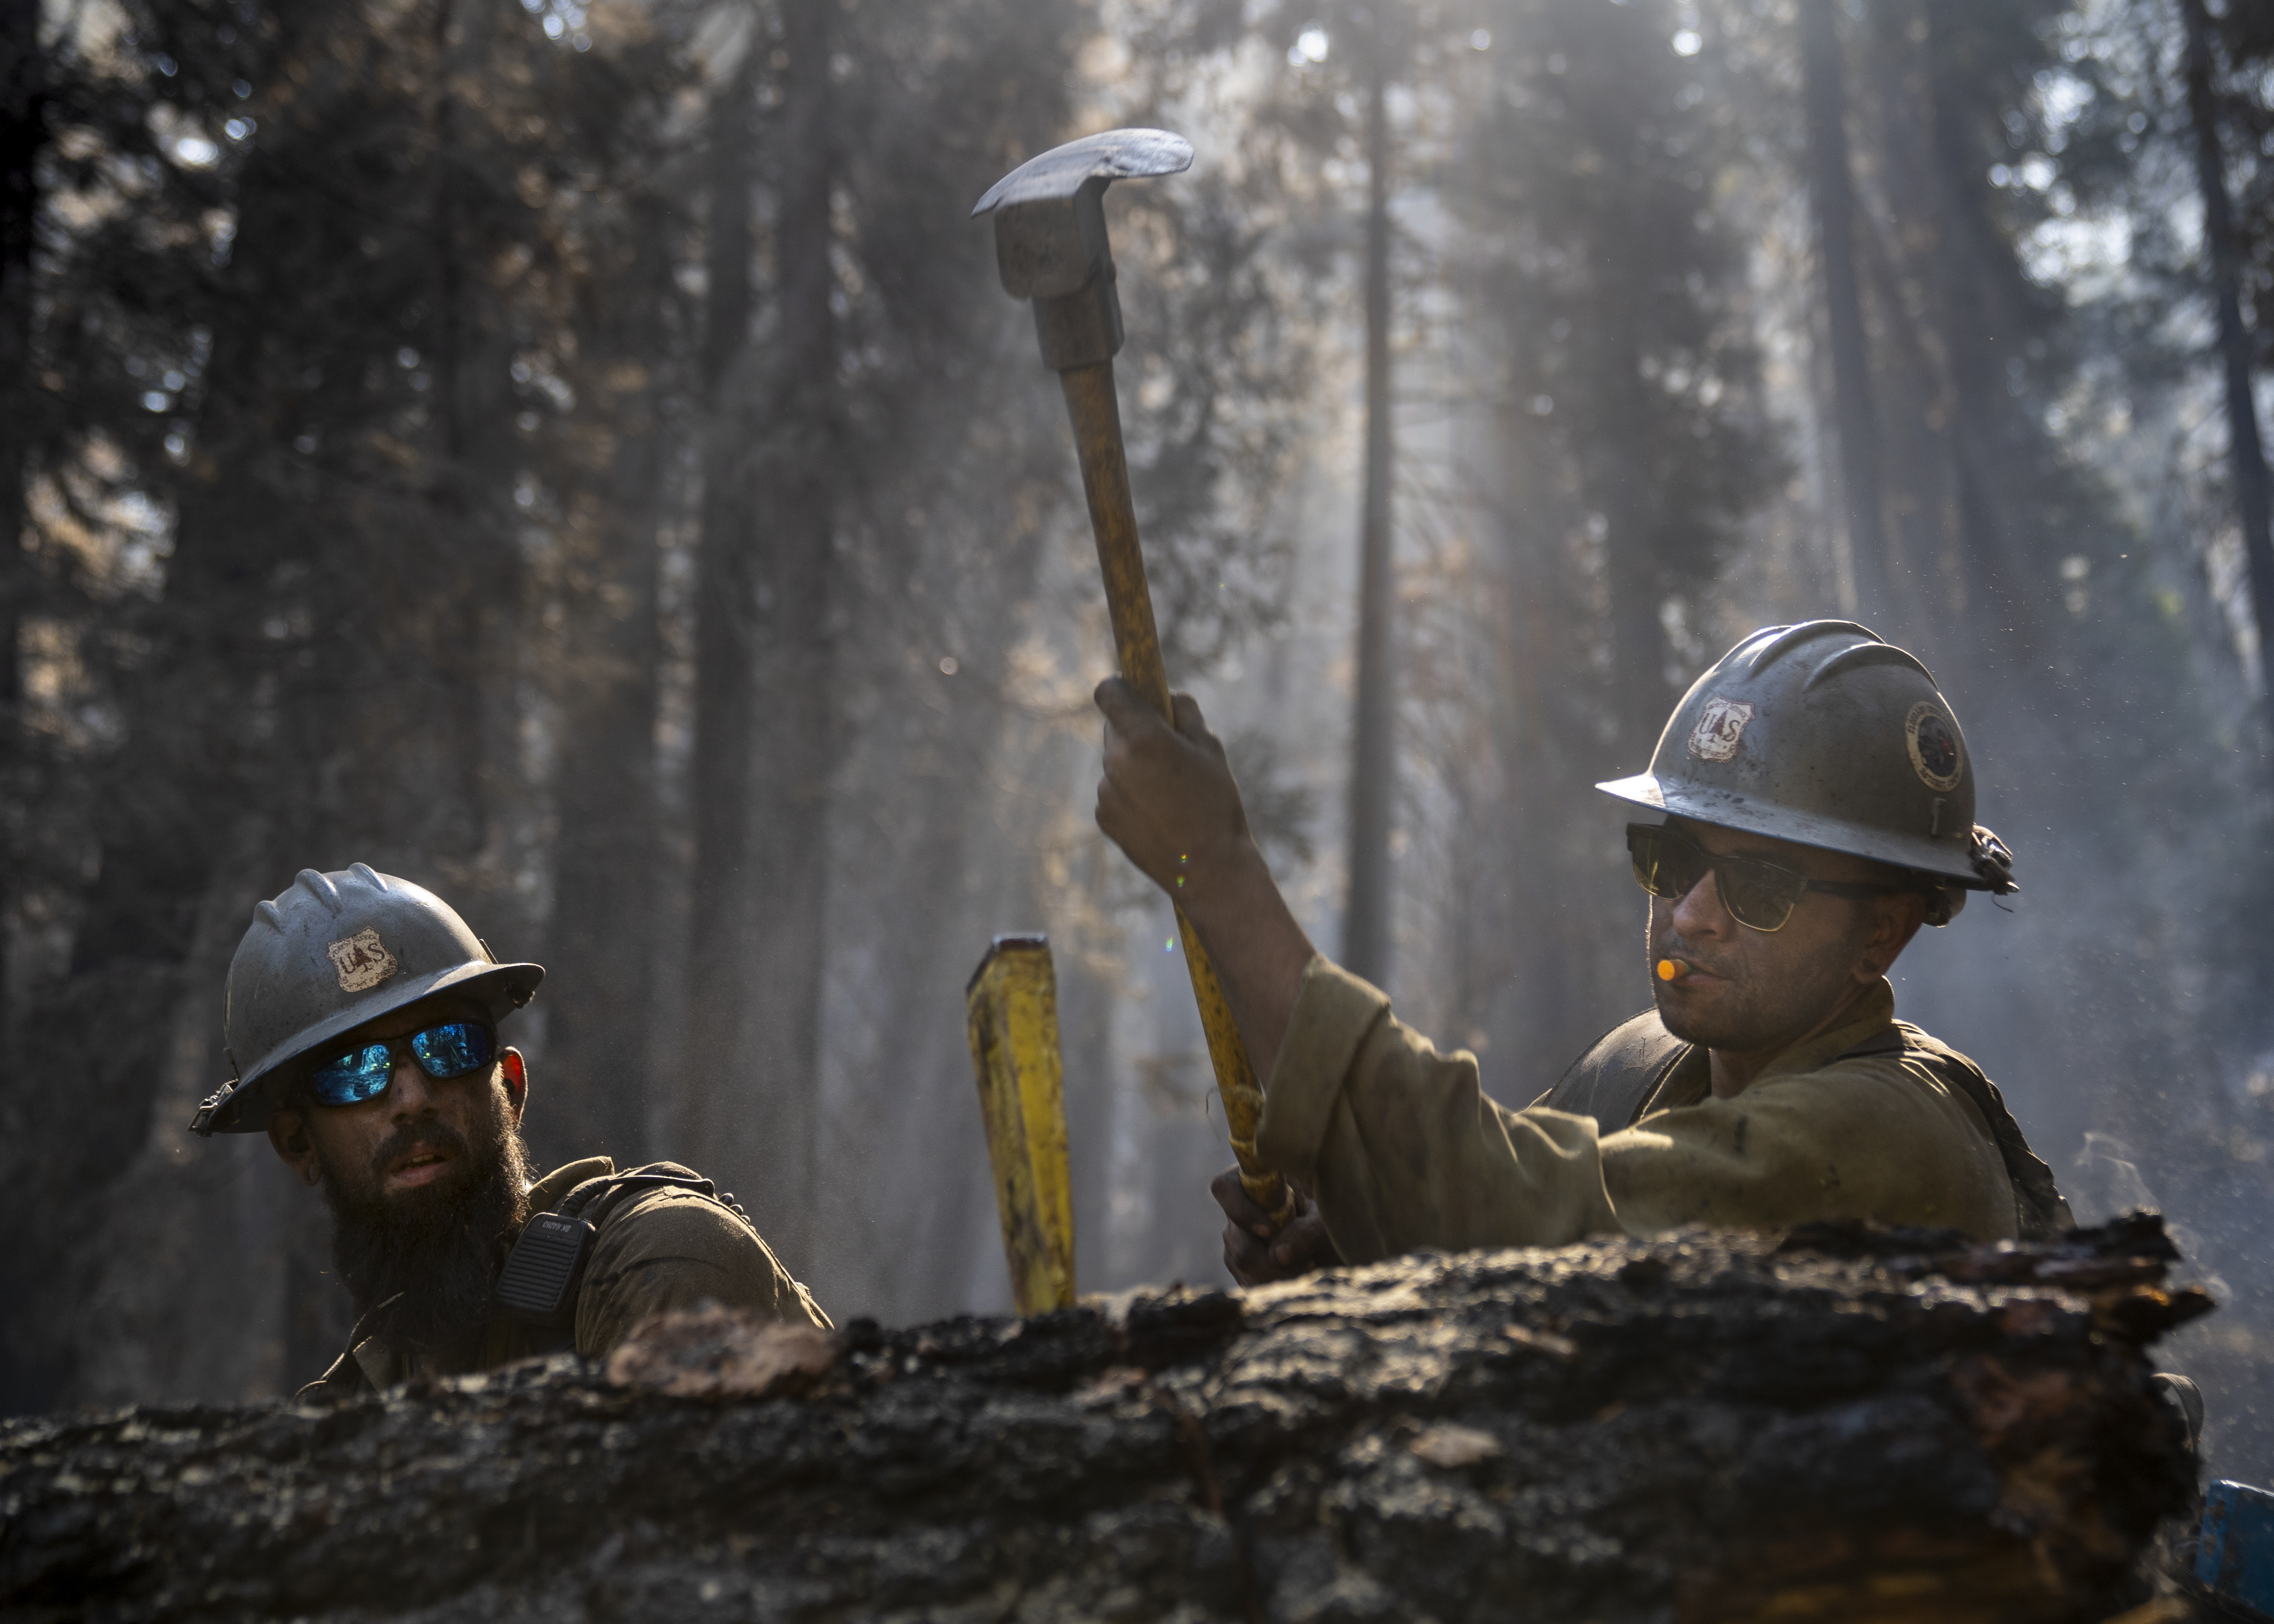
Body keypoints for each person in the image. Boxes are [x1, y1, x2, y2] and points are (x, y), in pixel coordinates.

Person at [1090, 619, 2072, 1286]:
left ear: (1881, 934)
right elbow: (1474, 1233)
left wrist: (1214, 872)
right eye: (1670, 853)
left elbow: (1507, 1211)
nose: (1688, 915)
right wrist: (1356, 1256)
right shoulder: (1649, 1065)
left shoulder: (1889, 1135)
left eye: (1761, 885)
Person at [189, 863, 828, 1393]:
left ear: (511, 1089)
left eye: (449, 1046)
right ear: (299, 1144)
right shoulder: (353, 1405)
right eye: (354, 1072)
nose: (412, 1098)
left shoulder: (663, 1257)